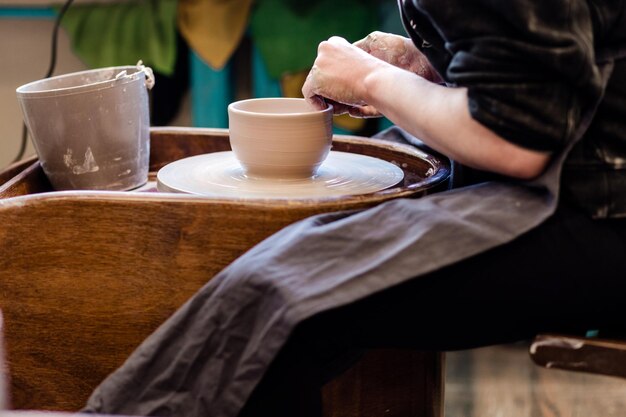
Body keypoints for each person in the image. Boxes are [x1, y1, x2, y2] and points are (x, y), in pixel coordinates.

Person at [83, 1, 626, 417]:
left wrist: (373, 81)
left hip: (600, 209)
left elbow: (518, 138)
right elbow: (551, 64)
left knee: (279, 304)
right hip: (585, 168)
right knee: (299, 252)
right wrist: (428, 64)